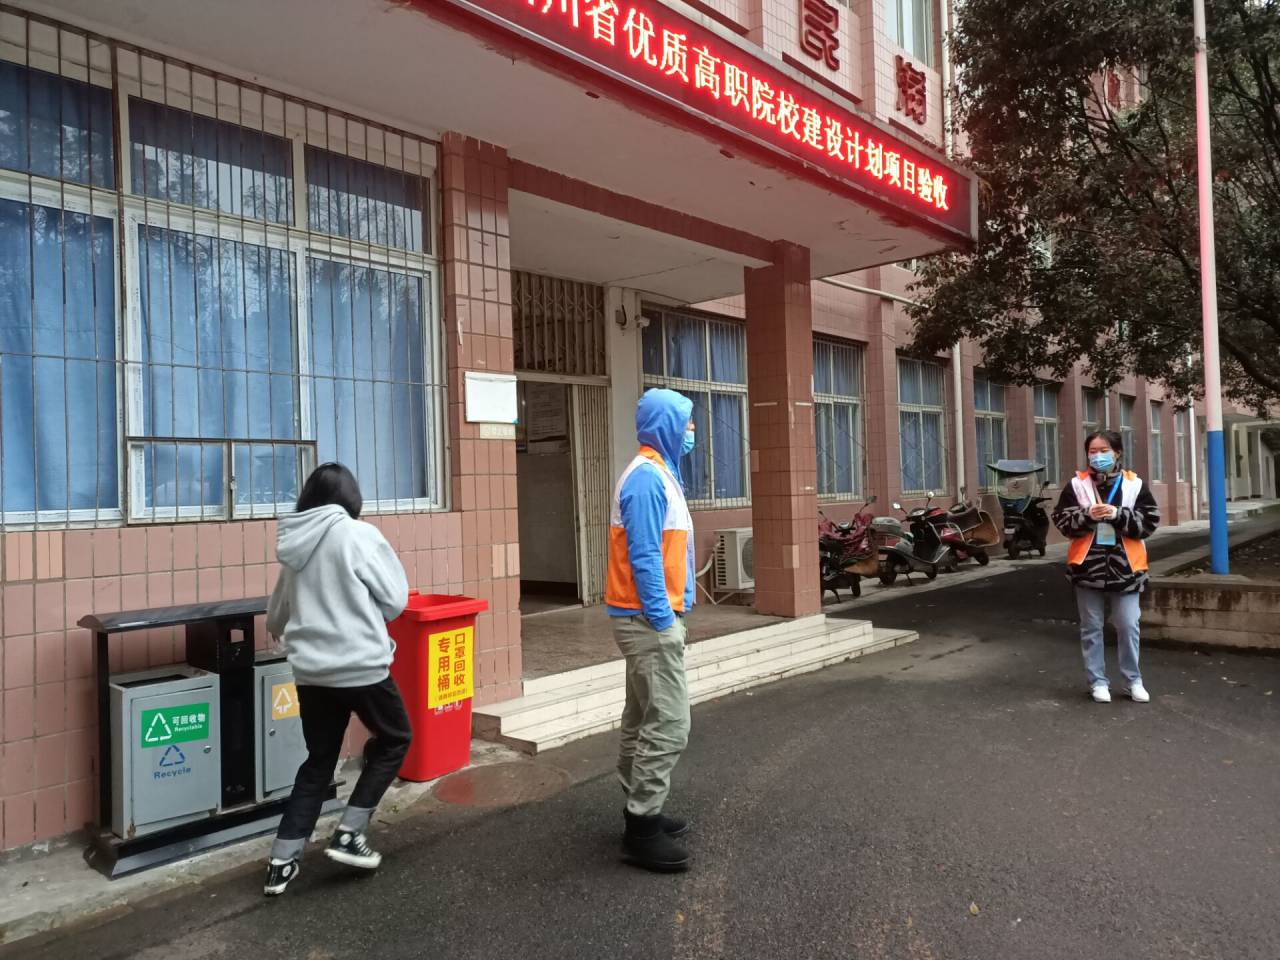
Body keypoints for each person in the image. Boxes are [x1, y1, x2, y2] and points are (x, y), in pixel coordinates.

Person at [262, 463, 411, 896]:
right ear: (351, 498)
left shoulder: (295, 546)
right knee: (396, 738)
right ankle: (349, 832)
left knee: (319, 760)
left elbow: (276, 616)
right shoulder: (359, 535)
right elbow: (395, 600)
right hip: (361, 665)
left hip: (311, 673)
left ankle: (281, 861)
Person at [605, 388, 697, 873]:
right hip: (646, 620)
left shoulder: (659, 473)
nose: (692, 431)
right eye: (686, 422)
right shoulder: (646, 479)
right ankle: (641, 829)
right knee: (670, 724)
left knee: (642, 717)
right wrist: (664, 619)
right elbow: (644, 556)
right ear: (667, 425)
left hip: (644, 617)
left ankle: (641, 810)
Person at [1052, 430, 1159, 704]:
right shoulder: (1077, 485)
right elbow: (1061, 521)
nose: (1097, 456)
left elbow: (1149, 522)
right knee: (1091, 627)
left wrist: (1118, 514)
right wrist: (1087, 515)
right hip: (1087, 568)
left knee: (1128, 625)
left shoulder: (1134, 485)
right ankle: (1097, 681)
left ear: (1117, 453)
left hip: (1127, 568)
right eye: (1092, 451)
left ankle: (1133, 680)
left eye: (1103, 451)